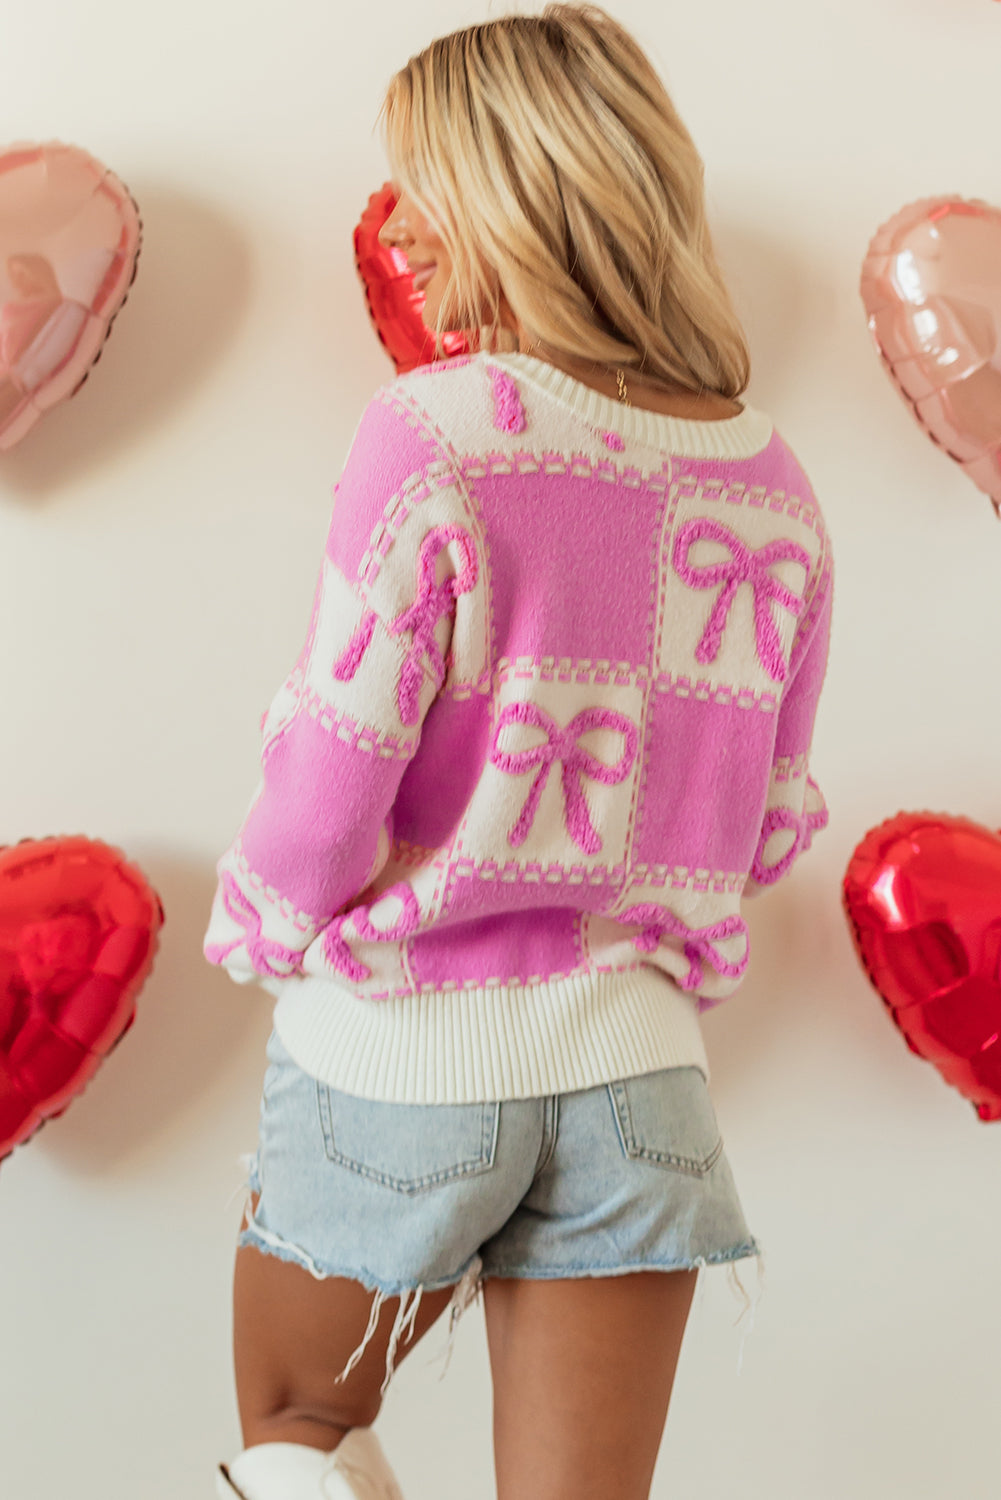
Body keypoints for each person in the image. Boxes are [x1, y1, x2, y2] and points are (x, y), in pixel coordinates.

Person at [204, 6, 832, 1498]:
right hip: (637, 1079)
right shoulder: (771, 475)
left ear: (516, 186)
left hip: (400, 1058)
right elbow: (761, 827)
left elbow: (335, 772)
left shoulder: (431, 435)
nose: (404, 225)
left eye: (424, 179)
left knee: (298, 1436)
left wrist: (265, 926)